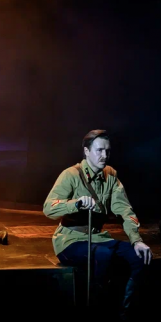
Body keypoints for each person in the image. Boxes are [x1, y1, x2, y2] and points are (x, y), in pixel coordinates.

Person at [43, 130, 152, 319]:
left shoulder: (111, 177)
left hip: (98, 238)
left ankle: (123, 313)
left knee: (138, 256)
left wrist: (137, 240)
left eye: (107, 151)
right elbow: (48, 208)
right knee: (103, 255)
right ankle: (96, 312)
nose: (104, 155)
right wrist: (76, 203)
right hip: (70, 240)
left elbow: (125, 211)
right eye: (99, 150)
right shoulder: (70, 175)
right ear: (86, 151)